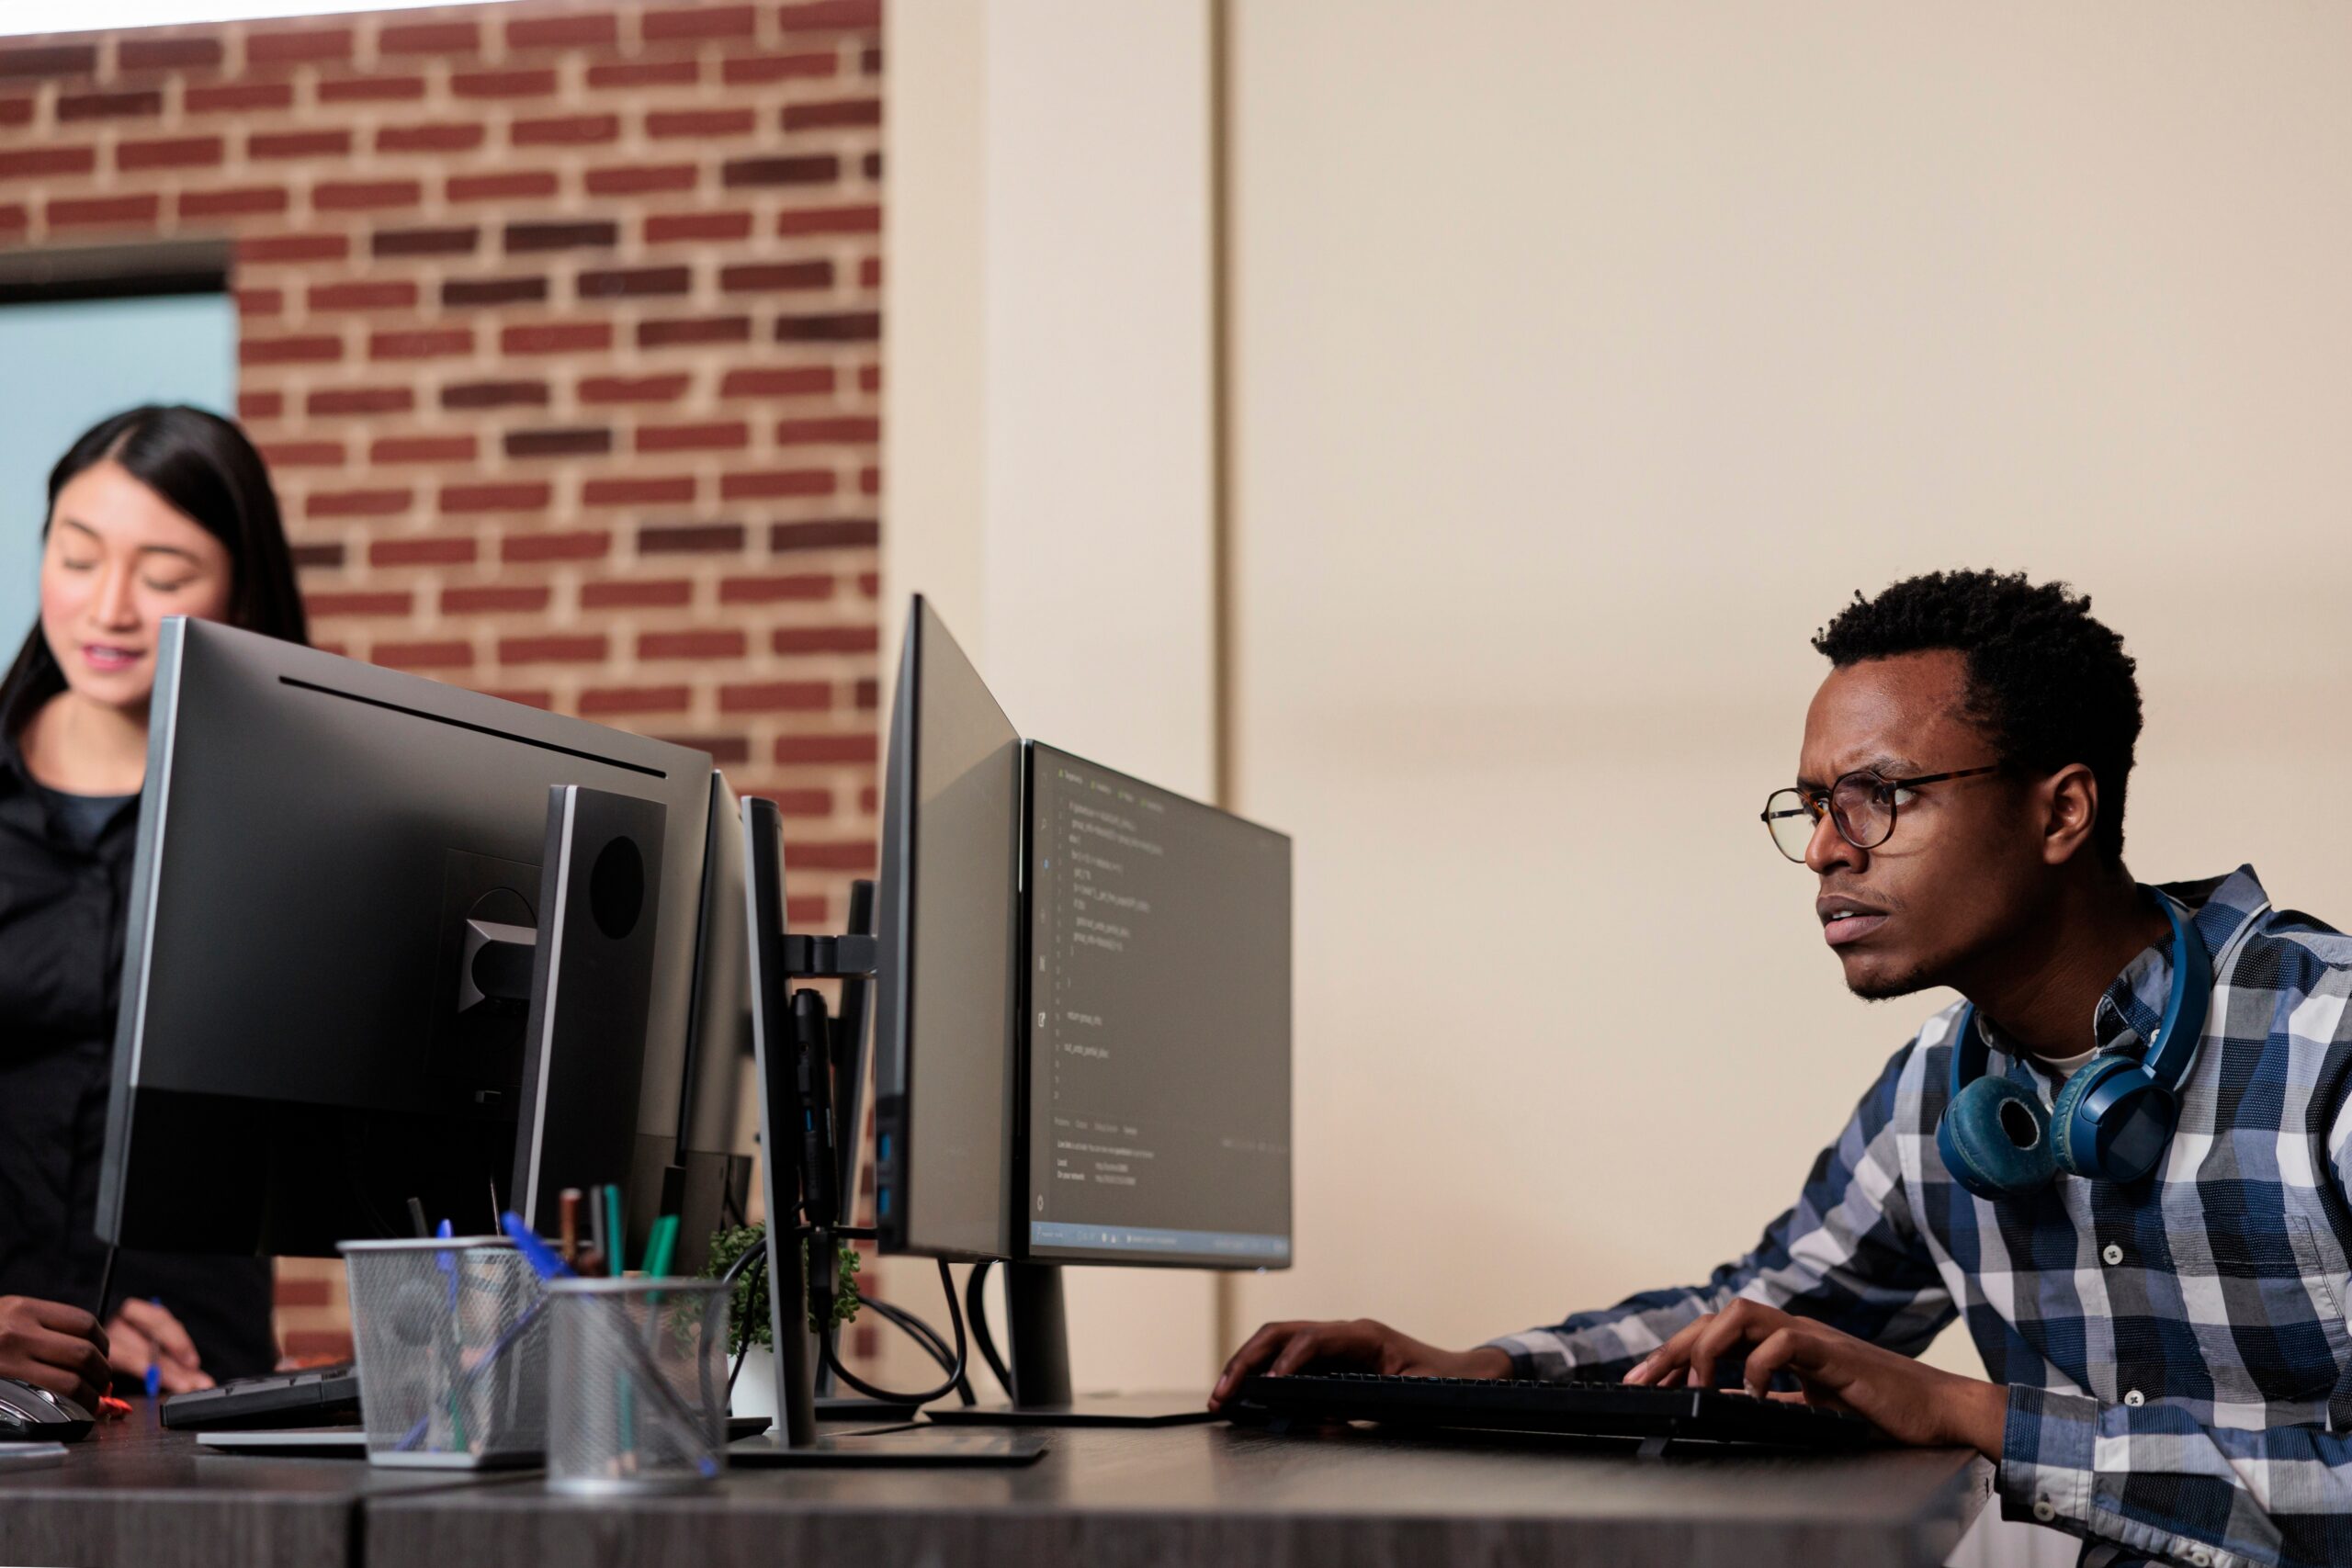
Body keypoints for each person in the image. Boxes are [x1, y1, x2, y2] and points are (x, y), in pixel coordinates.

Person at [1216, 570, 2352, 1568]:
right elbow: (1750, 1317)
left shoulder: (2327, 1046)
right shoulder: (1942, 1096)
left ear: (2060, 810)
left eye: (1879, 796)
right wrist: (1470, 1370)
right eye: (1812, 807)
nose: (1823, 849)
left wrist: (1972, 1413)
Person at [0, 405, 309, 1412]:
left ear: (236, 588)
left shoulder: (295, 826)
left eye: (166, 576)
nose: (111, 608)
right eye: (78, 557)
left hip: (189, 1384)